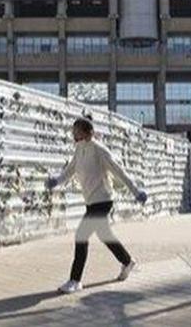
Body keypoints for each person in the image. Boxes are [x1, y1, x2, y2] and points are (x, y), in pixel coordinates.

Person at [46, 116, 148, 294]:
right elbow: (70, 170)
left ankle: (75, 280)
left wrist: (136, 191)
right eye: (73, 131)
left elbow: (119, 171)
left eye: (76, 131)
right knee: (105, 235)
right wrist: (56, 180)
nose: (73, 134)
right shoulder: (79, 149)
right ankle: (127, 262)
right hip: (91, 201)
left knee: (81, 236)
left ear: (87, 132)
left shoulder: (100, 150)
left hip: (103, 200)